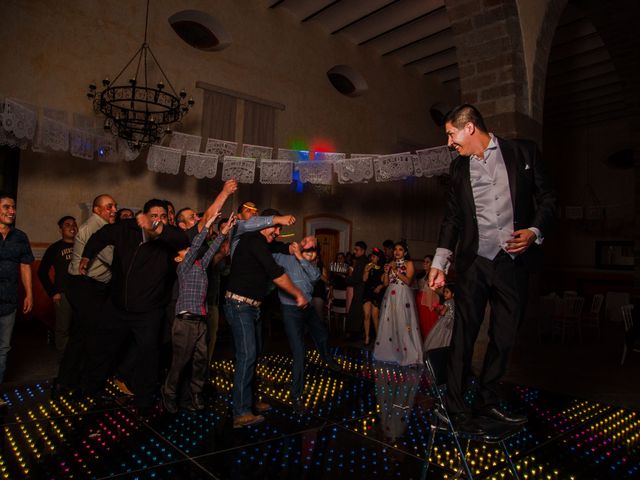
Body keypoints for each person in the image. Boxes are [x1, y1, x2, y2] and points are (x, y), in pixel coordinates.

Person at [428, 104, 556, 434]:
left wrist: (534, 232)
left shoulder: (523, 152)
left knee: (504, 336)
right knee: (463, 337)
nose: (449, 143)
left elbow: (548, 199)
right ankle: (454, 409)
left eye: (450, 134)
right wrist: (440, 263)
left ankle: (487, 402)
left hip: (513, 265)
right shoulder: (458, 169)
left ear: (469, 127)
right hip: (475, 264)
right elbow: (453, 219)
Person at [78, 199, 190, 413]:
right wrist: (86, 255)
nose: (158, 220)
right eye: (153, 216)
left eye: (163, 217)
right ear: (143, 217)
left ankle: (145, 399)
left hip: (149, 311)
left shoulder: (171, 237)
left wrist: (158, 229)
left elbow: (182, 238)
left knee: (149, 355)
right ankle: (89, 388)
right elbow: (99, 236)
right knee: (101, 349)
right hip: (118, 307)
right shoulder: (125, 230)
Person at [224, 216, 308, 428]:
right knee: (247, 355)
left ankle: (249, 401)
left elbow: (283, 247)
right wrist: (297, 293)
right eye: (276, 228)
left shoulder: (263, 242)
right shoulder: (252, 240)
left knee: (254, 353)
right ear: (264, 225)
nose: (278, 232)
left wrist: (300, 247)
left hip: (253, 307)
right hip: (240, 305)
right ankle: (241, 412)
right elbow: (276, 273)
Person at [161, 214, 236, 414]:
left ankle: (196, 393)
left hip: (201, 321)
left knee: (200, 362)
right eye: (184, 251)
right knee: (180, 363)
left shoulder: (201, 266)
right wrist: (208, 224)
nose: (190, 252)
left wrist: (223, 232)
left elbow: (210, 250)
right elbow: (195, 247)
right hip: (184, 321)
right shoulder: (183, 268)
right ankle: (169, 393)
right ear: (179, 258)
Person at [55, 194, 116, 397]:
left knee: (80, 336)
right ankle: (89, 385)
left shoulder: (103, 226)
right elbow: (112, 258)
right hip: (85, 286)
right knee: (94, 336)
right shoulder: (95, 227)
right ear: (97, 210)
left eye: (114, 206)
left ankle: (66, 381)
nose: (113, 210)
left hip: (86, 287)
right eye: (108, 207)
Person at [272, 236, 340, 411]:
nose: (306, 242)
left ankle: (328, 359)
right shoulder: (284, 257)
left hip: (307, 307)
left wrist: (301, 257)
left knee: (322, 335)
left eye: (311, 244)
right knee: (299, 351)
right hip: (290, 309)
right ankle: (296, 396)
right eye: (305, 240)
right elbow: (268, 258)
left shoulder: (311, 261)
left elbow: (316, 276)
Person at [0, 192, 34, 405]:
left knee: (3, 348)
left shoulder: (20, 237)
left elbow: (25, 266)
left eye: (13, 207)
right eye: (6, 207)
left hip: (9, 300)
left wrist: (30, 293)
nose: (12, 211)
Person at [373, 242, 422, 366]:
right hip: (391, 296)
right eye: (395, 249)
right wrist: (386, 272)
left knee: (404, 323)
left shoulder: (409, 263)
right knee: (390, 322)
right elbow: (385, 283)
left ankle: (410, 356)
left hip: (403, 295)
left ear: (405, 252)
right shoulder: (389, 263)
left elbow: (408, 281)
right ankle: (390, 352)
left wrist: (395, 269)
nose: (397, 252)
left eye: (400, 249)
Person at [37, 215, 77, 357]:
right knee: (63, 329)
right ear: (60, 230)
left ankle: (77, 360)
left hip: (81, 294)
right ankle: (64, 361)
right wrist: (53, 292)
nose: (72, 227)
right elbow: (41, 272)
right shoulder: (55, 248)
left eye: (74, 224)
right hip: (63, 294)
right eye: (67, 225)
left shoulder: (82, 246)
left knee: (80, 328)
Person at [362, 248, 385, 346]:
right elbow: (364, 279)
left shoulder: (383, 267)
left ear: (379, 258)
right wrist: (367, 271)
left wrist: (380, 287)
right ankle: (367, 337)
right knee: (366, 315)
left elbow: (385, 282)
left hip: (377, 292)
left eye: (375, 256)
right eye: (372, 256)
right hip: (367, 291)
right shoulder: (368, 266)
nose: (372, 258)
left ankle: (378, 337)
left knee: (375, 316)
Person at [344, 241, 367, 341]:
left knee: (356, 311)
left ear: (363, 251)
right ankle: (356, 333)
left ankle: (355, 335)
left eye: (356, 250)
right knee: (356, 311)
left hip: (360, 289)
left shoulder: (362, 261)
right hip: (359, 288)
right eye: (355, 249)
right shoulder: (362, 260)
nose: (354, 251)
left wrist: (346, 279)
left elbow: (357, 278)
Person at [423, 284, 455, 352]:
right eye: (444, 292)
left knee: (439, 337)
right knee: (448, 337)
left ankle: (437, 351)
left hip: (445, 321)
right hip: (452, 322)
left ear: (453, 294)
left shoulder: (447, 302)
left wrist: (437, 310)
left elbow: (442, 313)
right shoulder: (454, 302)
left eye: (447, 292)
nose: (445, 294)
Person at [416, 255, 440, 340]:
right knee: (421, 322)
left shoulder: (434, 275)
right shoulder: (420, 275)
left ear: (432, 264)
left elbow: (439, 290)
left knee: (429, 321)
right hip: (420, 300)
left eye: (427, 262)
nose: (424, 263)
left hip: (429, 302)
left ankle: (430, 341)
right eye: (424, 261)